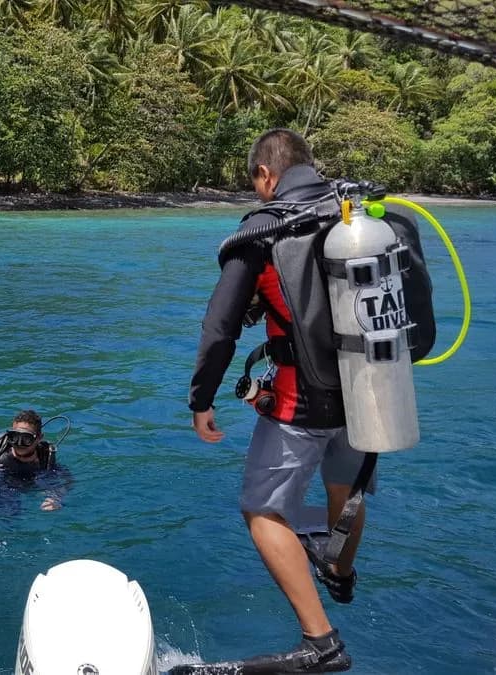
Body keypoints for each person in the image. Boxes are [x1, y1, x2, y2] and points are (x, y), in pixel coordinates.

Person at [187, 129, 382, 672]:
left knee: (263, 510)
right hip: (372, 391)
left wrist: (201, 398)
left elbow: (220, 326)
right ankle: (340, 572)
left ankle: (320, 641)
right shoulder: (357, 217)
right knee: (343, 487)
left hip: (303, 400)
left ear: (265, 175)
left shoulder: (266, 229)